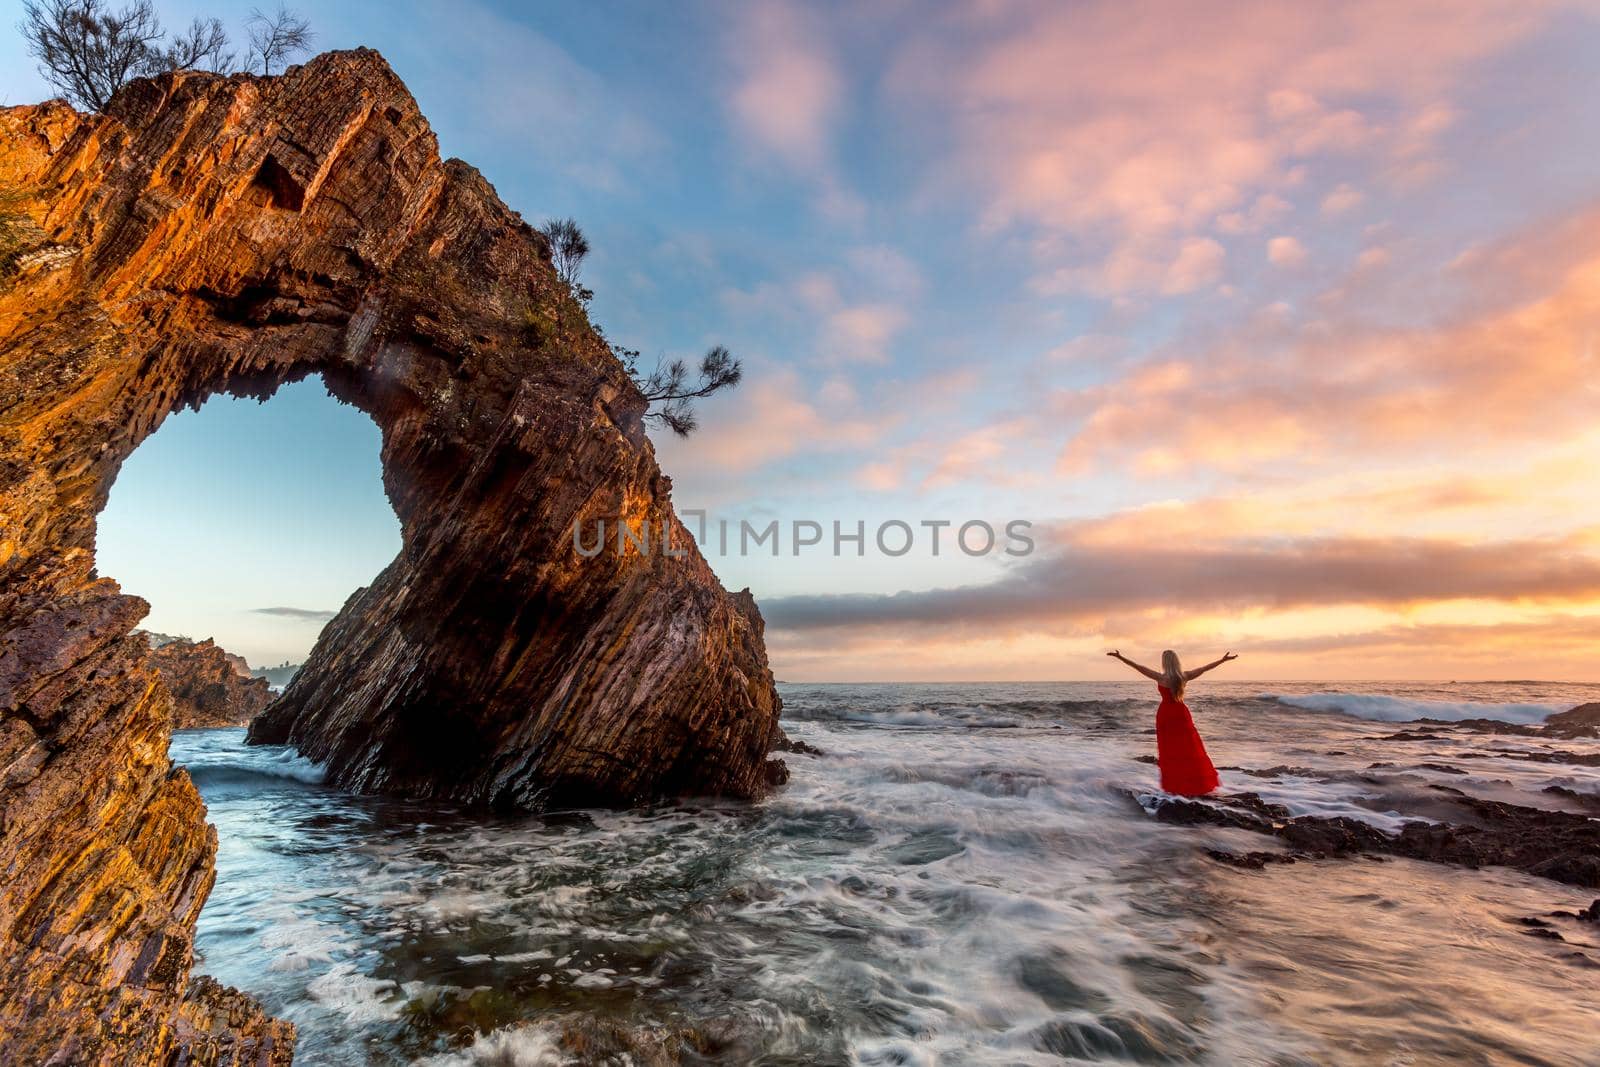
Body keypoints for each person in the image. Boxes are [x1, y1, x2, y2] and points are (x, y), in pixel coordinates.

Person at [1107, 649, 1237, 796]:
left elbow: (1138, 667)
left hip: (1166, 715)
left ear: (1164, 662)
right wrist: (1222, 660)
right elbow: (1205, 668)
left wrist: (1120, 657)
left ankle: (1175, 786)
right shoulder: (1184, 676)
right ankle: (1196, 784)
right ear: (1176, 661)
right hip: (1181, 714)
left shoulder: (1160, 678)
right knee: (1190, 748)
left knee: (1170, 750)